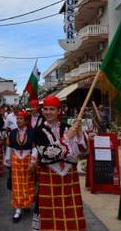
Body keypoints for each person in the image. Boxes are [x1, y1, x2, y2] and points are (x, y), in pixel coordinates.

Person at [33, 95, 87, 231]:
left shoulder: (69, 127)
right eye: (45, 109)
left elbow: (82, 153)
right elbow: (46, 154)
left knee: (71, 213)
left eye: (52, 109)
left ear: (59, 111)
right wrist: (67, 138)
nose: (48, 112)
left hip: (69, 177)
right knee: (50, 213)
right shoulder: (38, 131)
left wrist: (79, 134)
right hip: (49, 176)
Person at [5, 110, 37, 223]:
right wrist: (7, 160)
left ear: (26, 120)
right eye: (17, 118)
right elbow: (9, 146)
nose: (18, 120)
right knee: (17, 185)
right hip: (16, 160)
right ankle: (18, 209)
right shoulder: (12, 132)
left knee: (28, 184)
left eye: (21, 119)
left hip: (28, 160)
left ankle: (26, 204)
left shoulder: (32, 132)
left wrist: (33, 162)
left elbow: (34, 147)